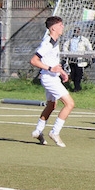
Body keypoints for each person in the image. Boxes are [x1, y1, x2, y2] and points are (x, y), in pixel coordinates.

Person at [30, 16, 75, 147]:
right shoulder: (48, 43)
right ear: (53, 28)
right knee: (70, 104)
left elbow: (52, 61)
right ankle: (55, 132)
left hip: (52, 77)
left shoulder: (55, 41)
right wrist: (50, 69)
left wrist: (61, 72)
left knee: (51, 105)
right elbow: (34, 61)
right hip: (49, 79)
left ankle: (38, 131)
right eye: (60, 25)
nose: (63, 27)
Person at [66, 27, 93, 92]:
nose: (76, 32)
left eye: (78, 31)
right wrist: (66, 53)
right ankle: (76, 86)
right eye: (75, 31)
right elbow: (65, 46)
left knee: (78, 73)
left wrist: (89, 54)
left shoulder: (83, 39)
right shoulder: (70, 39)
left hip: (80, 58)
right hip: (72, 58)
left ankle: (77, 88)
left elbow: (89, 46)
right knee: (73, 73)